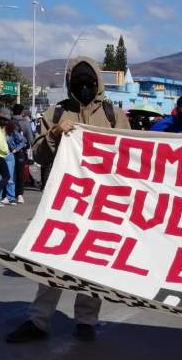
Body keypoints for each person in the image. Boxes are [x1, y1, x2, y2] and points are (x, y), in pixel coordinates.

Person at [7, 55, 129, 344]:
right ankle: (39, 320)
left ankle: (86, 320)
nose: (84, 88)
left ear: (97, 83)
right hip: (64, 200)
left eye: (89, 83)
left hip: (101, 202)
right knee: (52, 261)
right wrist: (54, 133)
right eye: (79, 84)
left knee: (91, 264)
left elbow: (131, 155)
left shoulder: (114, 115)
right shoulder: (55, 113)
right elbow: (38, 154)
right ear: (70, 85)